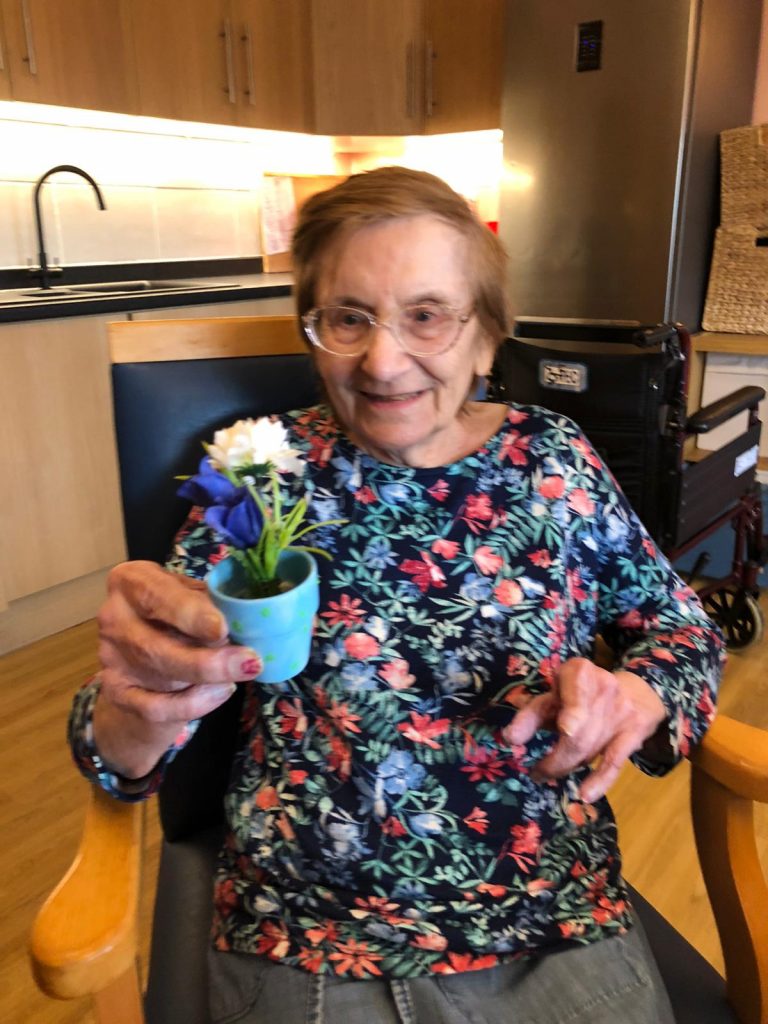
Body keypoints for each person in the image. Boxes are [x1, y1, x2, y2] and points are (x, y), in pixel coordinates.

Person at [69, 166, 724, 1024]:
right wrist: (132, 713)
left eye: (427, 315)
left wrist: (639, 693)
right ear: (313, 334)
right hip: (310, 933)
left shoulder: (553, 460)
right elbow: (132, 730)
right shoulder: (260, 471)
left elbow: (680, 627)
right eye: (349, 317)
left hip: (549, 918)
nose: (382, 362)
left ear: (486, 338)